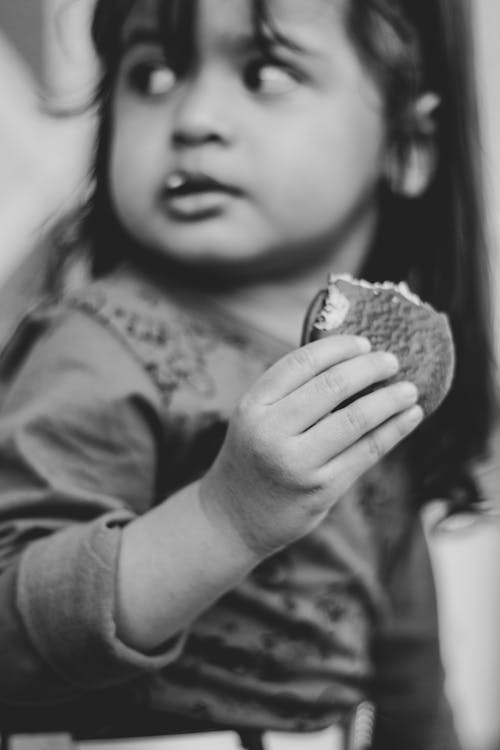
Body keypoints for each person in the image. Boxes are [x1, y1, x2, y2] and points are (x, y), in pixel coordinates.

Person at [0, 0, 496, 749]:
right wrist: (226, 517)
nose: (194, 116)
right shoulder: (96, 346)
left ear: (408, 141)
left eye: (265, 71)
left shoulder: (374, 383)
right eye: (152, 73)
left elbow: (410, 690)